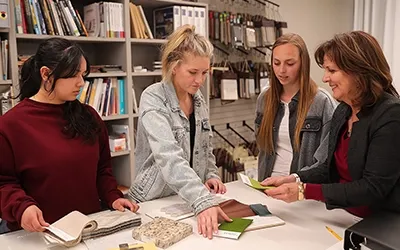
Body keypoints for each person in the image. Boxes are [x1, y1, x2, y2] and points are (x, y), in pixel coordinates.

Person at [0, 38, 139, 233]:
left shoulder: (89, 116)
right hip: (39, 233)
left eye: (83, 75)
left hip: (89, 227)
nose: (81, 83)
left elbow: (102, 170)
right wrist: (21, 207)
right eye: (73, 75)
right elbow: (4, 182)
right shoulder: (11, 125)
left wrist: (113, 197)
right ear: (46, 74)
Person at [262, 31, 400, 217]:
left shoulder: (391, 115)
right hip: (340, 215)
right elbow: (328, 168)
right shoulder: (343, 111)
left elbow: (373, 187)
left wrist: (304, 191)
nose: (325, 78)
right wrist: (295, 178)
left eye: (332, 71)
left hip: (375, 225)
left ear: (358, 71)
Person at [129, 25, 231, 239]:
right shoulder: (153, 98)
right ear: (174, 66)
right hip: (154, 199)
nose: (200, 80)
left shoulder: (198, 99)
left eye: (204, 73)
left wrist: (210, 174)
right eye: (193, 72)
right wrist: (202, 200)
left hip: (186, 199)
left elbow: (206, 145)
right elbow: (168, 156)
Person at [256, 33, 336, 181]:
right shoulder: (264, 99)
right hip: (267, 187)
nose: (281, 70)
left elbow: (325, 162)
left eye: (290, 63)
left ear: (303, 63)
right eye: (276, 63)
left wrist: (295, 181)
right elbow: (263, 150)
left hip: (301, 192)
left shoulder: (322, 102)